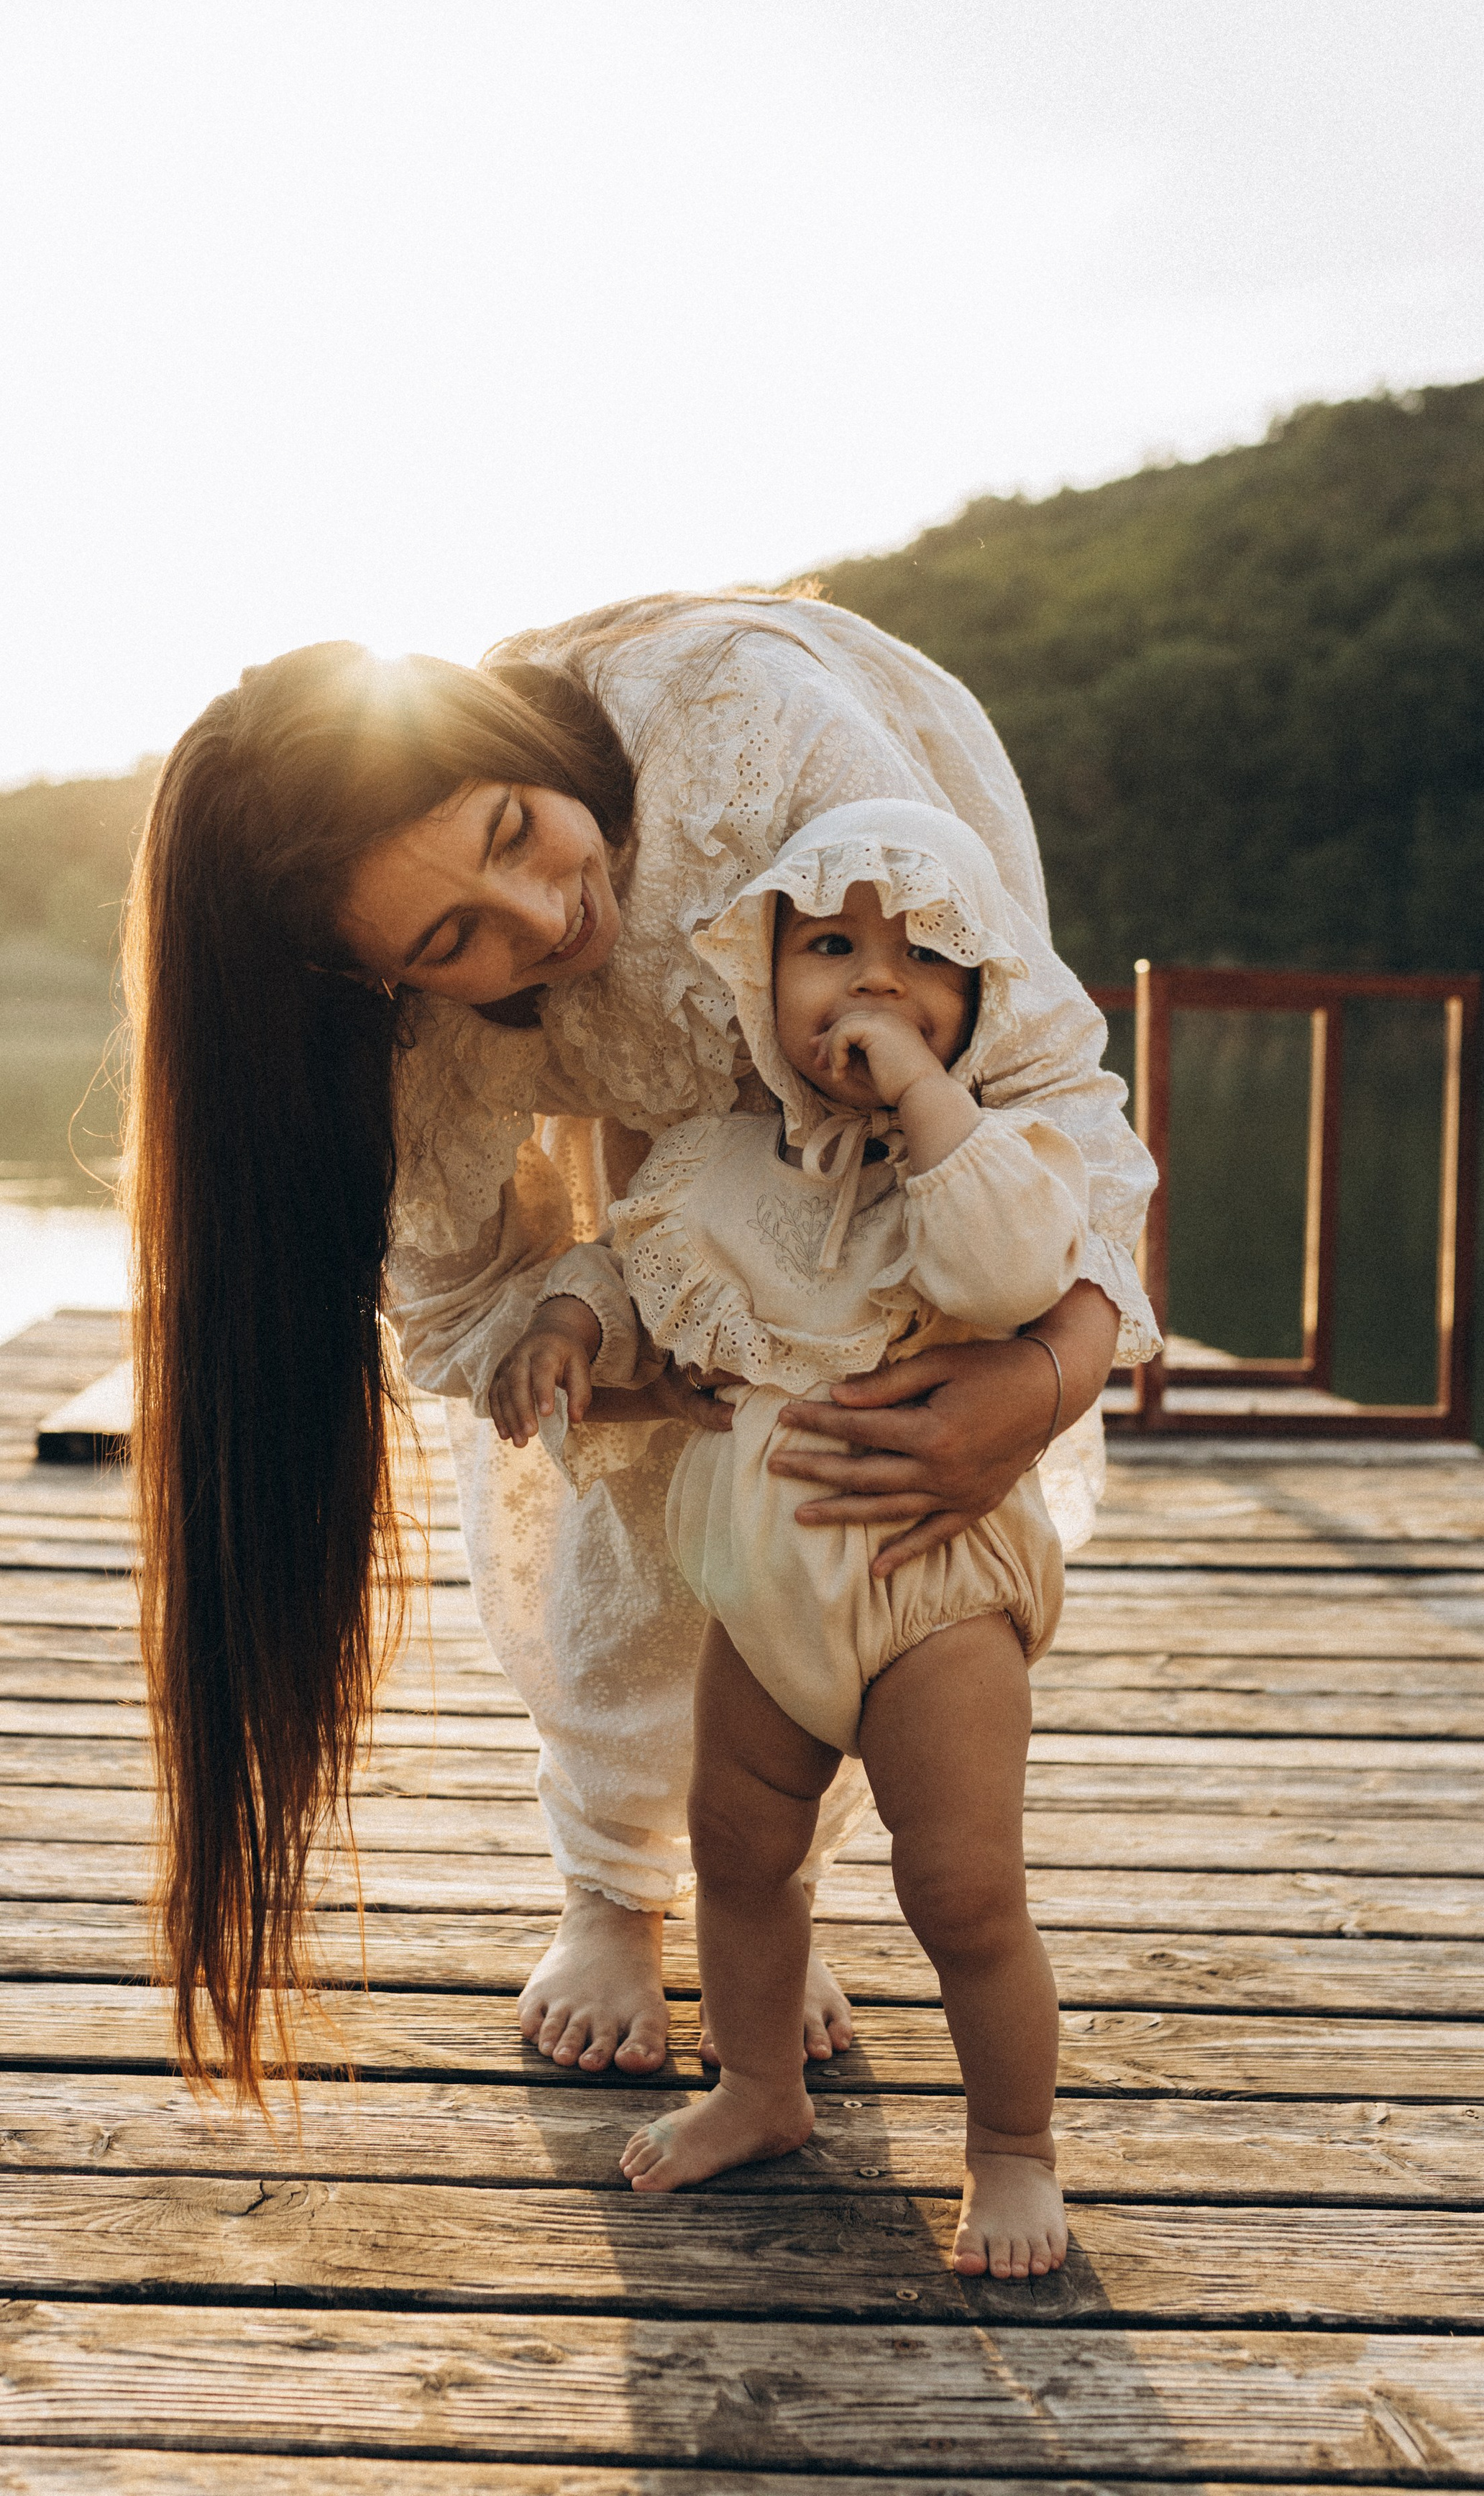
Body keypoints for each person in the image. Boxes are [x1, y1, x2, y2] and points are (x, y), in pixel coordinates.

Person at [123, 591, 1158, 2097]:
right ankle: (614, 1883)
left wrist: (1048, 1371)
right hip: (673, 1156)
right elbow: (457, 1284)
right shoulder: (426, 1027)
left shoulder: (753, 731)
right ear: (384, 982)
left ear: (502, 742)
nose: (543, 917)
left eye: (508, 832)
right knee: (647, 1462)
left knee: (855, 1487)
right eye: (454, 938)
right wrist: (611, 1359)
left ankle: (775, 1899)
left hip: (886, 1011)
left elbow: (1052, 1102)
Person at [489, 798, 1125, 2275]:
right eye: (828, 947)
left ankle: (1011, 2149)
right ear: (761, 977)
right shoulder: (717, 1160)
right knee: (734, 1852)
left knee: (959, 1887)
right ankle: (759, 2089)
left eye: (921, 961)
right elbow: (626, 1252)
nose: (872, 983)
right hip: (761, 1605)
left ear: (977, 996)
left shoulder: (985, 1160)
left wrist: (922, 1099)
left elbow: (1015, 1267)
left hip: (930, 1597)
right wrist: (569, 1326)